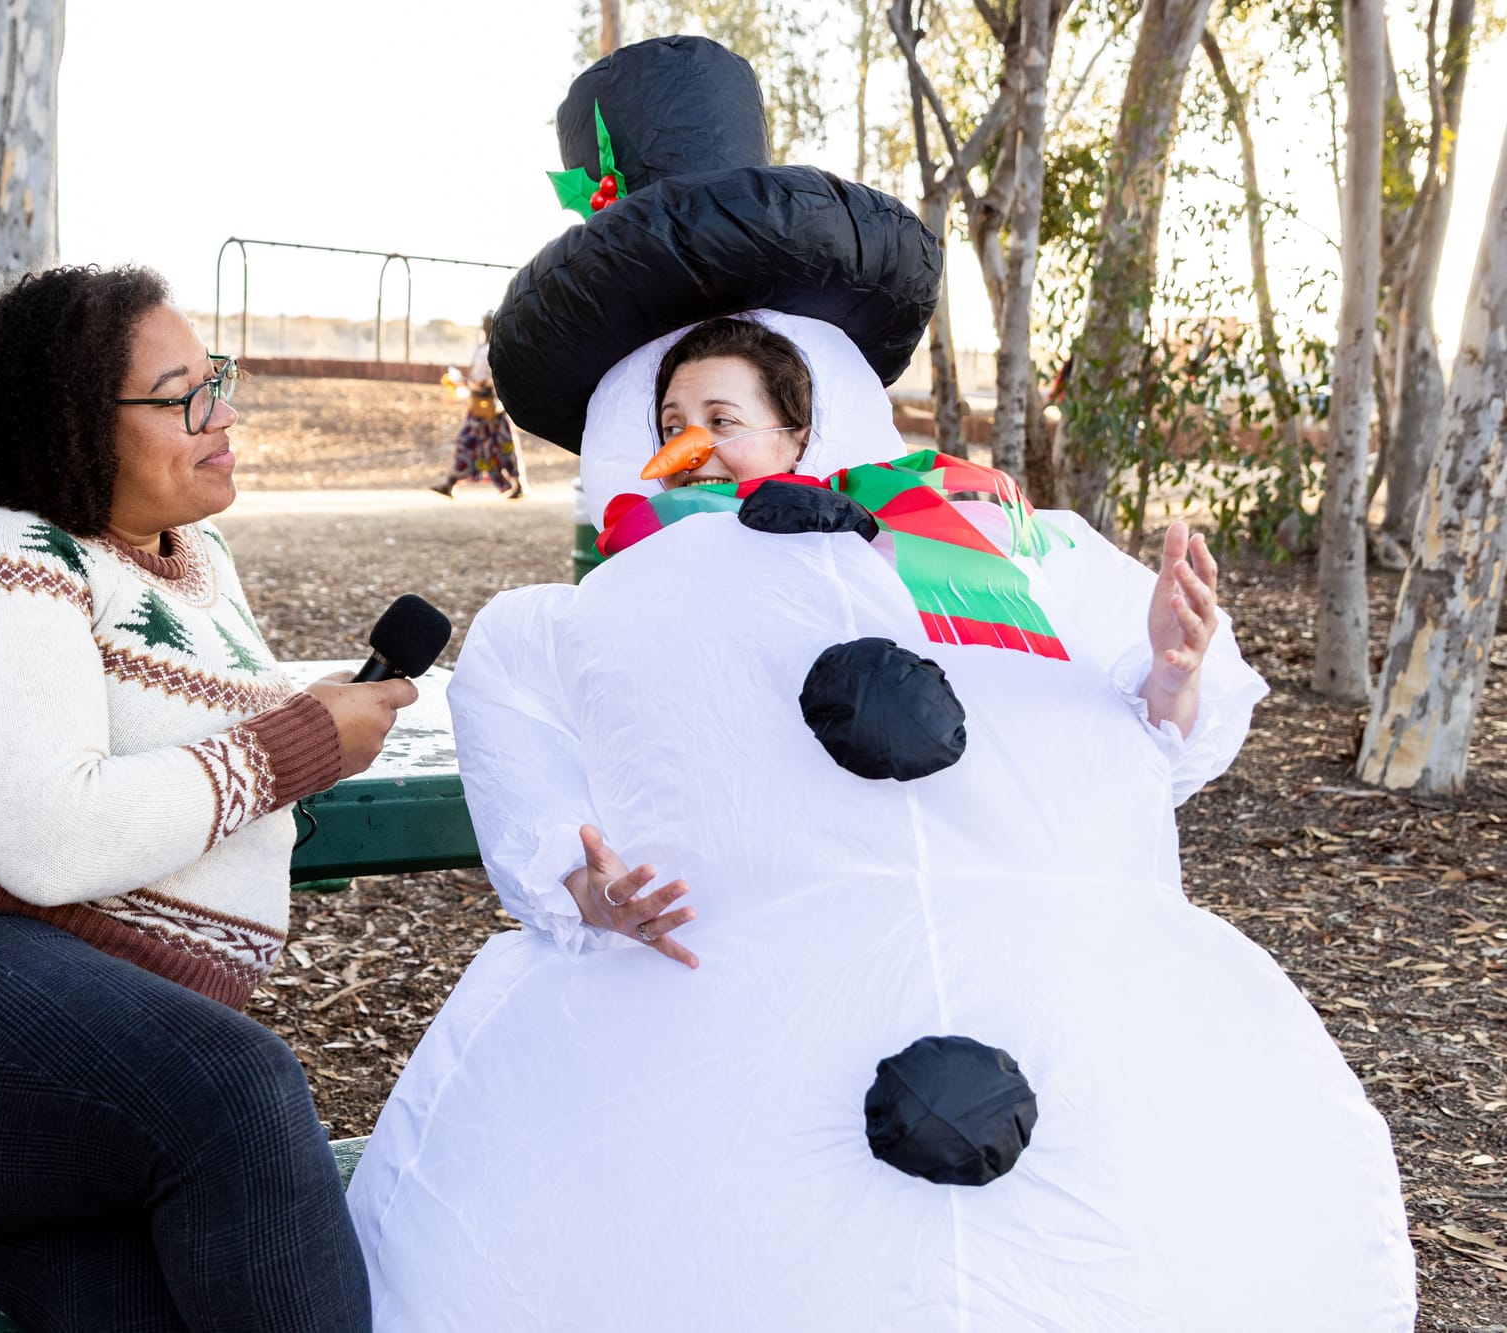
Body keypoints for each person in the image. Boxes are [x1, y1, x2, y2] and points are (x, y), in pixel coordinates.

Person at [345, 36, 1414, 1331]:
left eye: (722, 412)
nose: (689, 439)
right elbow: (522, 749)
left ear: (803, 422)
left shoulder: (981, 545)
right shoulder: (587, 616)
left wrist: (1178, 667)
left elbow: (1154, 722)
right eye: (668, 412)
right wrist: (582, 883)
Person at [0, 264, 415, 1333]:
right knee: (238, 1095)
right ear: (70, 418)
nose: (224, 414)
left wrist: (316, 728)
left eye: (219, 380)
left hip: (71, 1076)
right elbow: (53, 840)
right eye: (185, 395)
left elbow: (198, 773)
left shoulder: (199, 563)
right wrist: (297, 742)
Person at [429, 311, 524, 500]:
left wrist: (474, 383)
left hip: (489, 408)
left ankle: (519, 485)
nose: (485, 328)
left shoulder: (494, 350)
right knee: (481, 445)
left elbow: (490, 378)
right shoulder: (492, 349)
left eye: (487, 324)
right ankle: (451, 483)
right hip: (487, 406)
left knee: (494, 446)